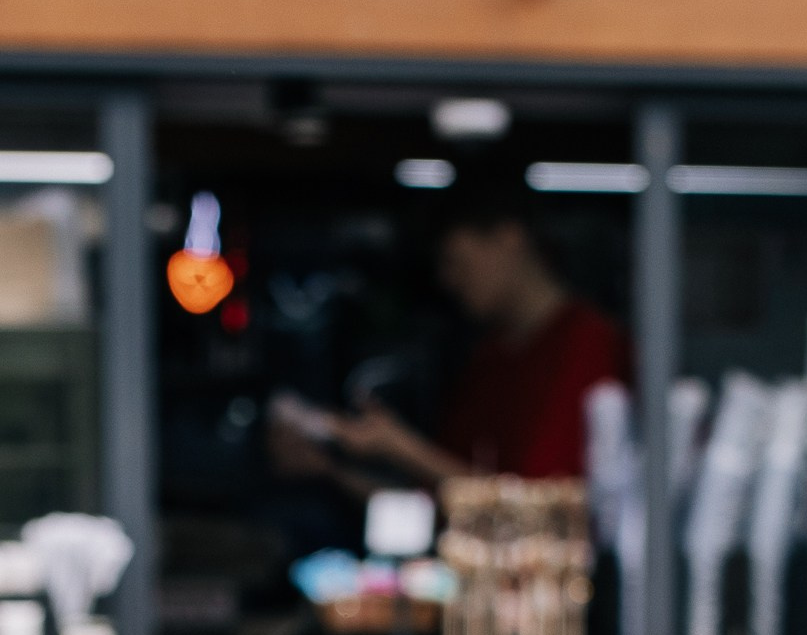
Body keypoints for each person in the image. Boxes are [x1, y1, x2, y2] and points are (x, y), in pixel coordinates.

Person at [268, 189, 630, 496]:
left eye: (455, 260)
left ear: (509, 237)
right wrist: (332, 471)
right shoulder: (489, 359)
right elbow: (441, 503)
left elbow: (537, 508)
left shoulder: (591, 347)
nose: (448, 280)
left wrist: (399, 446)